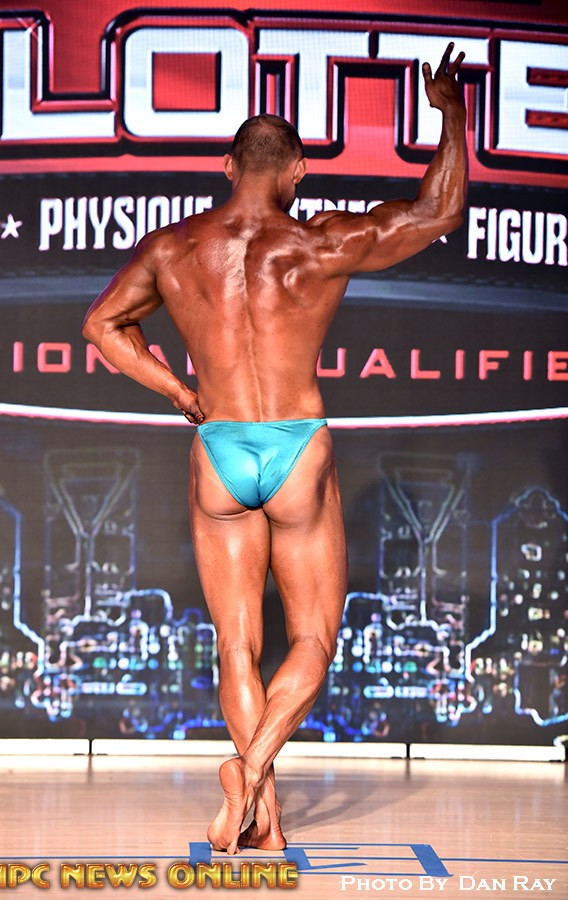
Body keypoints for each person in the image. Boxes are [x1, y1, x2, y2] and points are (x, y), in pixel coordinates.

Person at [82, 43, 467, 855]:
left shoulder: (173, 247)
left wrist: (179, 391)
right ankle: (252, 773)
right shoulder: (320, 242)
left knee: (236, 644)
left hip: (219, 446)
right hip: (297, 448)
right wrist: (451, 113)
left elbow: (103, 327)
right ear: (298, 170)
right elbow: (437, 212)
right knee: (314, 641)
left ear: (228, 167)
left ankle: (261, 810)